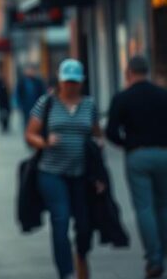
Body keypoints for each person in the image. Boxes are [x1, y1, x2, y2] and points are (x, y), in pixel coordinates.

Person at [26, 59, 103, 279]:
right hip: (51, 173)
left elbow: (96, 134)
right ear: (60, 81)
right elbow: (30, 133)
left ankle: (81, 258)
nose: (71, 86)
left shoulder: (89, 105)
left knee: (84, 225)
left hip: (80, 174)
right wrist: (43, 141)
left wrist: (99, 151)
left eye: (75, 82)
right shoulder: (46, 103)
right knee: (60, 220)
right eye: (67, 81)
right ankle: (66, 271)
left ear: (81, 82)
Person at [106, 56, 167, 279]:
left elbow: (111, 131)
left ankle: (154, 258)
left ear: (129, 72)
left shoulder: (122, 98)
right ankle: (163, 252)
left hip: (137, 156)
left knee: (144, 208)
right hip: (164, 153)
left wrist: (128, 145)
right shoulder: (163, 95)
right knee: (163, 205)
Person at [16, 64, 45, 129]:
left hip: (36, 105)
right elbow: (18, 94)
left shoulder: (38, 81)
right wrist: (19, 105)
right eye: (29, 70)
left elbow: (42, 93)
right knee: (26, 122)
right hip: (25, 106)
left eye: (32, 70)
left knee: (36, 121)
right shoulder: (22, 81)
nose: (30, 72)